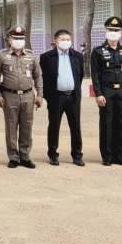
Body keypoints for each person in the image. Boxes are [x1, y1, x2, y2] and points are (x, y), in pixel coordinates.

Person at [0, 26, 43, 168]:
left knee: (27, 127)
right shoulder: (2, 55)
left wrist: (39, 95)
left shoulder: (31, 56)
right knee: (11, 127)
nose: (18, 41)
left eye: (21, 38)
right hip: (9, 96)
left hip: (28, 95)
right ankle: (13, 157)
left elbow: (38, 76)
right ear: (9, 40)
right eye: (15, 38)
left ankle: (25, 156)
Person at [91, 17, 122, 166]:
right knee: (106, 123)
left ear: (121, 33)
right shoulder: (98, 51)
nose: (113, 33)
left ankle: (119, 156)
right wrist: (98, 94)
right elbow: (95, 74)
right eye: (111, 30)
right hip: (106, 91)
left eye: (116, 30)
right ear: (105, 31)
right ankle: (107, 156)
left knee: (120, 123)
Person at [39, 29, 85, 166]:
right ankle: (53, 154)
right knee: (54, 126)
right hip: (56, 97)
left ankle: (77, 154)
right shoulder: (46, 57)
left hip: (73, 96)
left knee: (76, 126)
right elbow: (44, 78)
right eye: (63, 39)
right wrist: (47, 96)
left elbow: (80, 75)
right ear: (56, 41)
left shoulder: (77, 56)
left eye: (68, 40)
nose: (66, 42)